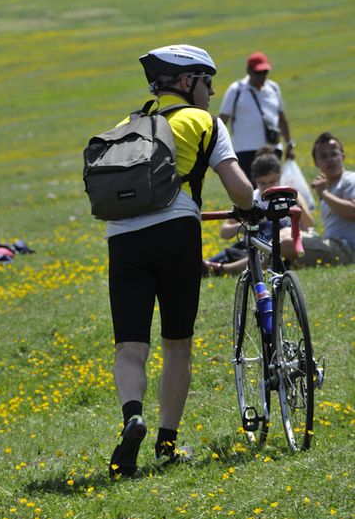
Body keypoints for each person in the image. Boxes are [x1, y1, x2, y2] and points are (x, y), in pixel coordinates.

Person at [106, 44, 254, 477]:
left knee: (129, 347)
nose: (211, 92)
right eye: (208, 82)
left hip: (122, 238)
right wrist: (253, 205)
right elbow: (239, 191)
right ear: (188, 82)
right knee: (177, 343)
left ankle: (132, 415)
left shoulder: (127, 125)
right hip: (175, 232)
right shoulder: (204, 121)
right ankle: (166, 445)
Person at [203, 146, 314, 277]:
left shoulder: (290, 196)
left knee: (274, 247)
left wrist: (298, 206)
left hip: (277, 246)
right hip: (251, 245)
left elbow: (309, 225)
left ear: (279, 177)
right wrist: (248, 223)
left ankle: (224, 269)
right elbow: (224, 233)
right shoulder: (251, 199)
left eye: (272, 182)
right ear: (255, 181)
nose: (268, 187)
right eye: (262, 183)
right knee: (227, 255)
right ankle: (210, 267)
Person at [219, 51, 296, 184]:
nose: (262, 76)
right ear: (249, 71)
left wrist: (289, 143)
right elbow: (222, 120)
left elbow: (282, 119)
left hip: (273, 149)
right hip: (245, 151)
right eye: (258, 73)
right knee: (250, 191)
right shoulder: (236, 89)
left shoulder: (274, 88)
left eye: (265, 72)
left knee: (274, 190)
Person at [281, 132, 355, 267]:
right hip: (332, 244)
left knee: (287, 244)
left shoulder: (350, 180)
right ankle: (246, 265)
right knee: (284, 233)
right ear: (316, 162)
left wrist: (324, 193)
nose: (330, 159)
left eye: (334, 154)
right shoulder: (329, 185)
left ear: (343, 156)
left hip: (348, 249)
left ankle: (237, 267)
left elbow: (353, 212)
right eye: (324, 156)